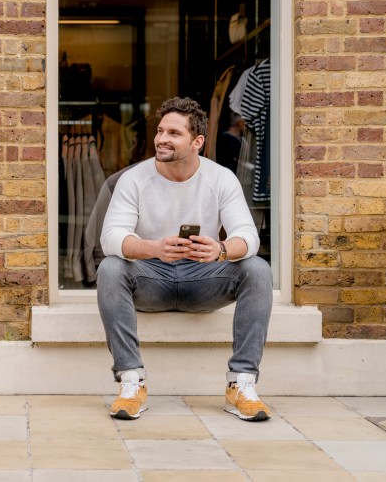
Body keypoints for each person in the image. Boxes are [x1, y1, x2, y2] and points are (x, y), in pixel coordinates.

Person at [97, 96, 273, 422]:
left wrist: (219, 250)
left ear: (198, 142)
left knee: (257, 268)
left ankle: (241, 383)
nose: (162, 139)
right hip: (151, 278)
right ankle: (132, 381)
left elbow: (248, 237)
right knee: (111, 268)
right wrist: (153, 248)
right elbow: (110, 238)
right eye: (161, 131)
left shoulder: (220, 178)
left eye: (174, 133)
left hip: (203, 278)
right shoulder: (134, 178)